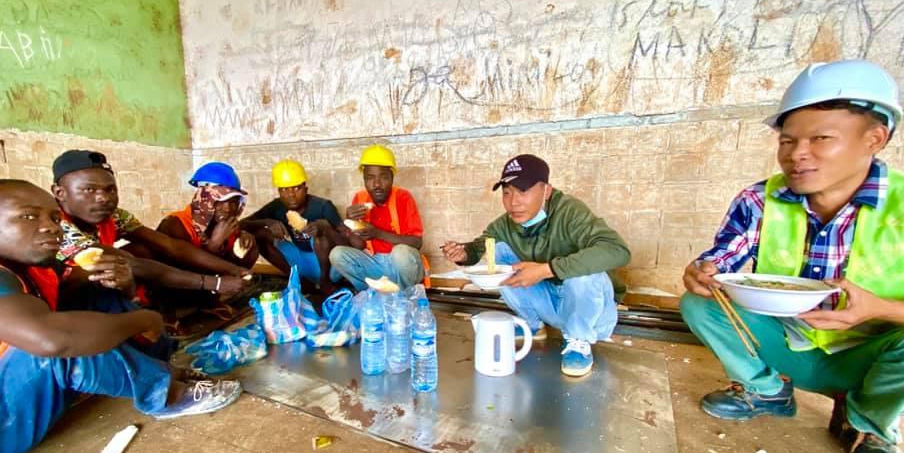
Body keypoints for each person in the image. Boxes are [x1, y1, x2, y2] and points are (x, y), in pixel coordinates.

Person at [680, 59, 904, 453]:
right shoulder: (759, 199)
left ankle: (869, 423)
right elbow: (720, 260)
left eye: (820, 139)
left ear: (874, 139)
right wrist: (703, 272)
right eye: (787, 141)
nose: (797, 153)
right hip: (786, 343)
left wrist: (879, 309)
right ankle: (767, 390)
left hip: (870, 356)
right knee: (699, 303)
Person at [0, 180, 242, 453]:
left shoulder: (33, 266)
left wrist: (120, 284)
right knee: (53, 341)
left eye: (54, 218)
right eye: (28, 216)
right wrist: (142, 320)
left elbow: (102, 287)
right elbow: (53, 340)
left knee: (95, 292)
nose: (50, 227)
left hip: (5, 406)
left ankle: (162, 367)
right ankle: (164, 394)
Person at [442, 154, 630, 378]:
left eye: (523, 191)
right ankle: (532, 325)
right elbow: (481, 246)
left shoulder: (570, 212)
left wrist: (545, 270)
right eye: (507, 192)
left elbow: (618, 250)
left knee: (584, 270)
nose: (514, 202)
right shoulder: (506, 224)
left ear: (546, 191)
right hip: (551, 307)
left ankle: (579, 340)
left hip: (592, 313)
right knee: (499, 250)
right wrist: (464, 253)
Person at [51, 150, 249, 303]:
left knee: (145, 249)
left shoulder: (114, 216)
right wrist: (215, 283)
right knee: (117, 264)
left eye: (110, 190)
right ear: (60, 193)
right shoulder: (55, 225)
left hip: (105, 283)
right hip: (58, 300)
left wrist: (233, 269)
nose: (103, 198)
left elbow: (170, 246)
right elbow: (130, 263)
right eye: (89, 189)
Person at [329, 145, 429, 291]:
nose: (377, 184)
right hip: (374, 264)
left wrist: (377, 233)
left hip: (402, 267)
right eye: (370, 178)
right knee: (337, 254)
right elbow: (358, 246)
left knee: (401, 252)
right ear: (364, 179)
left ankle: (402, 295)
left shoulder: (403, 197)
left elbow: (417, 242)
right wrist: (351, 223)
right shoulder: (359, 198)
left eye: (383, 177)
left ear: (392, 177)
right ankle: (372, 293)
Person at [240, 159, 344, 294]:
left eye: (296, 188)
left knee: (321, 231)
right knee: (260, 235)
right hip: (301, 262)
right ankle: (298, 279)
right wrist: (267, 222)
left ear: (305, 188)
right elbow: (242, 224)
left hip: (330, 268)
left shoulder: (323, 206)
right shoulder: (277, 206)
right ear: (279, 191)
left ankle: (324, 283)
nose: (291, 195)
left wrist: (325, 228)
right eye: (284, 189)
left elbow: (346, 243)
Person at [157, 162, 258, 269]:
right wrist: (213, 245)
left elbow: (231, 267)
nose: (227, 209)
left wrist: (244, 246)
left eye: (233, 202)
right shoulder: (176, 224)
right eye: (219, 201)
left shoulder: (227, 227)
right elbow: (179, 273)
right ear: (203, 200)